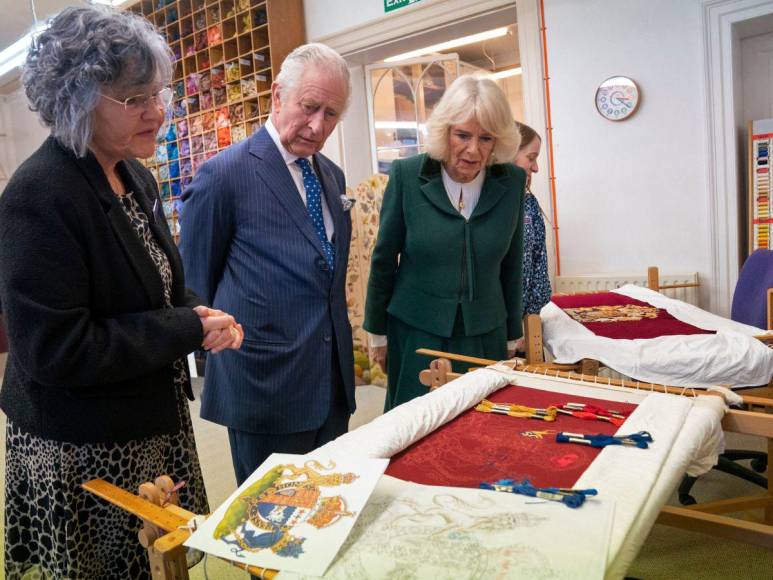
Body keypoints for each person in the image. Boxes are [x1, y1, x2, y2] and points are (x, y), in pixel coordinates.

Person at [0, 6, 243, 579]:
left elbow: (156, 286)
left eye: (158, 93)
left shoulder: (134, 175)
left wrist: (197, 315)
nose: (158, 112)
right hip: (83, 444)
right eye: (136, 100)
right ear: (78, 99)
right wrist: (183, 329)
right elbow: (56, 350)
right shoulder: (39, 195)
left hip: (145, 420)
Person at [179, 43, 356, 486]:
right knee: (271, 525)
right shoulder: (225, 175)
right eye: (309, 107)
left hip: (331, 382)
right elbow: (194, 285)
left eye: (331, 114)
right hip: (263, 385)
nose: (318, 126)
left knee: (327, 512)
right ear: (277, 96)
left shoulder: (331, 175)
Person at [364, 74, 526, 411]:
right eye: (463, 135)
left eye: (486, 138)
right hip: (416, 330)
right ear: (445, 132)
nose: (473, 149)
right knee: (415, 424)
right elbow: (384, 259)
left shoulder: (511, 182)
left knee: (480, 426)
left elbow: (511, 264)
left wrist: (513, 332)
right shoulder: (408, 175)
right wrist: (377, 333)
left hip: (485, 331)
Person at [513, 122, 552, 352]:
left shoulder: (529, 205)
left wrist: (532, 326)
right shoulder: (483, 204)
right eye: (531, 157)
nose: (536, 167)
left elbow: (539, 268)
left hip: (525, 331)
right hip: (494, 329)